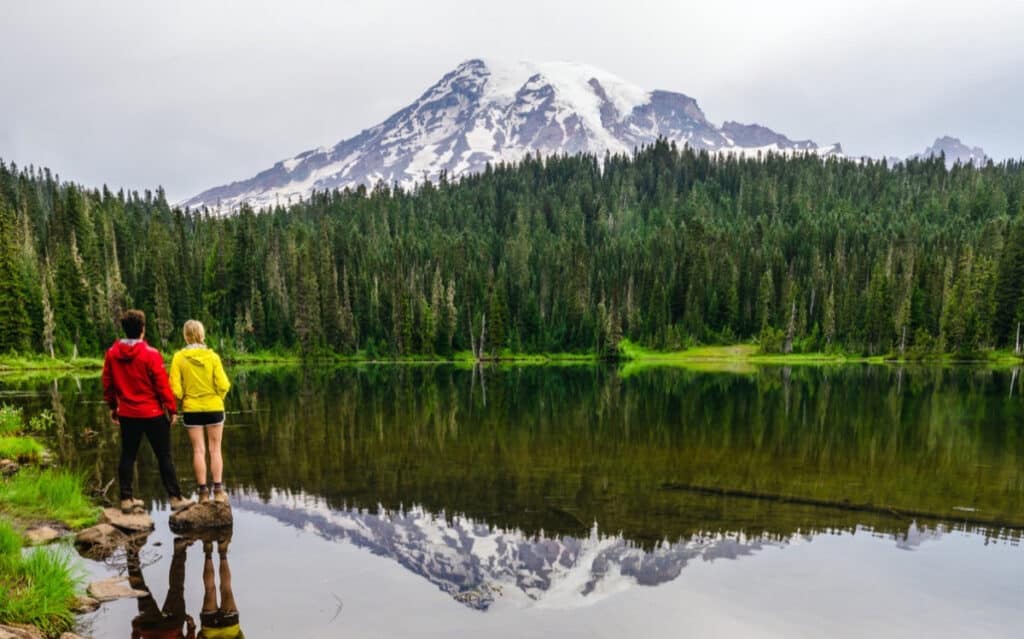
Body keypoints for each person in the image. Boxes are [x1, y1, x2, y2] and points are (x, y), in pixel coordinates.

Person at [103, 309, 193, 514]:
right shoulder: (150, 354)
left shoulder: (112, 354)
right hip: (152, 413)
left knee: (128, 455)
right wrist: (172, 409)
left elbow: (107, 383)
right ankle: (175, 498)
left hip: (127, 413)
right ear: (143, 330)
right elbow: (161, 385)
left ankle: (126, 499)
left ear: (125, 329)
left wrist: (112, 407)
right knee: (164, 456)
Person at [170, 320, 232, 504]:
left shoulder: (179, 358)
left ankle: (203, 493)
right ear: (202, 334)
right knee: (215, 449)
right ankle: (219, 492)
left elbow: (175, 388)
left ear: (185, 336)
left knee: (198, 450)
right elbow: (223, 384)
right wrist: (217, 397)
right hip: (214, 407)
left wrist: (185, 397)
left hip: (192, 409)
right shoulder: (212, 357)